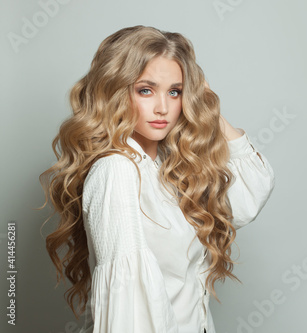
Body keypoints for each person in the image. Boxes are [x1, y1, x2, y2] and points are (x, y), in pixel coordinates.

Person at [38, 25, 275, 333]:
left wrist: (205, 101)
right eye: (145, 90)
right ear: (116, 92)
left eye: (174, 92)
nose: (163, 107)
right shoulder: (117, 170)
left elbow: (249, 198)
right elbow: (126, 307)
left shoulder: (171, 169)